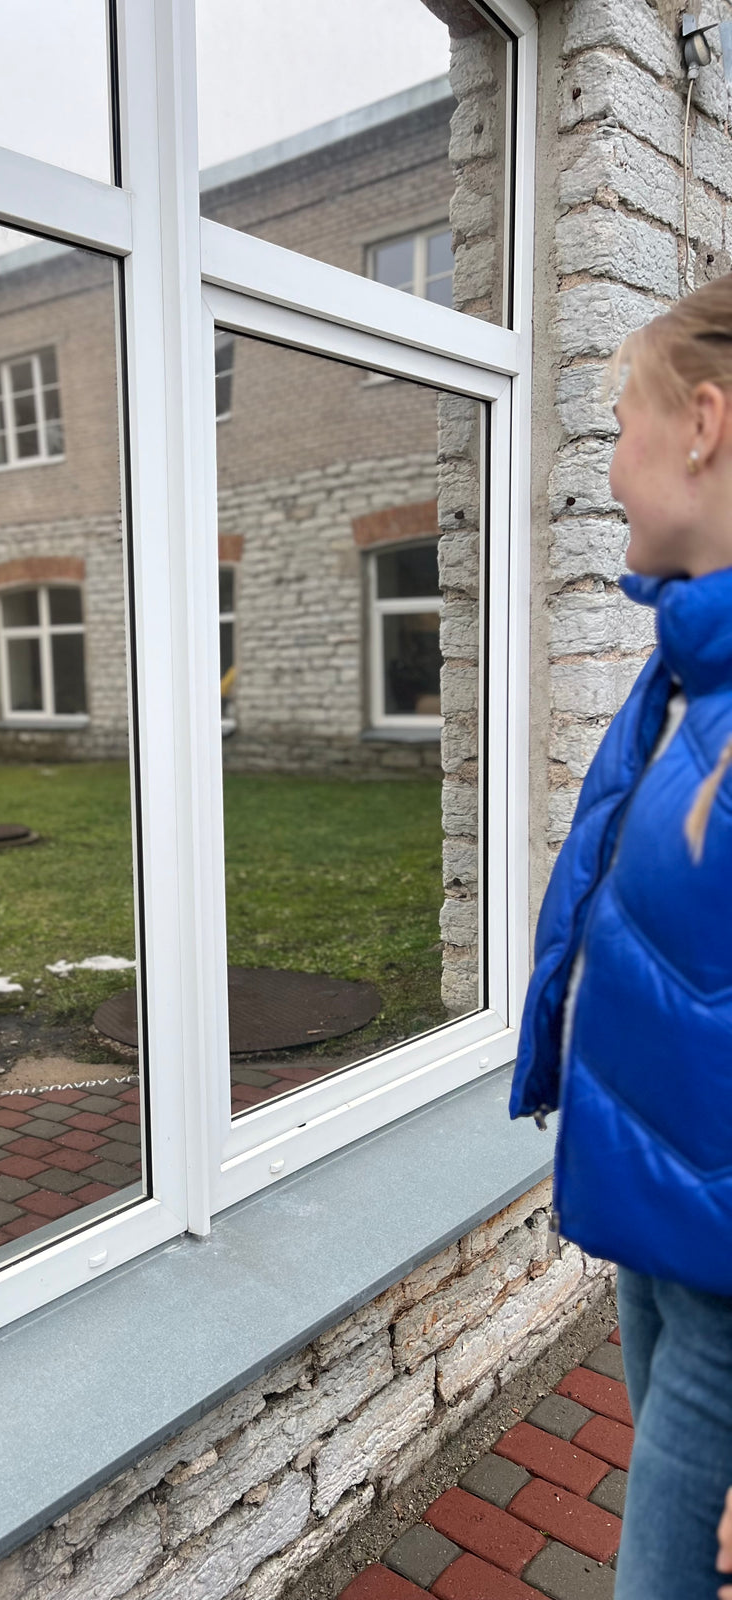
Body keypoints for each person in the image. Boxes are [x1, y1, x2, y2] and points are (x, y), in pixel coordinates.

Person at [510, 273, 732, 1600]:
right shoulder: (690, 672)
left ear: (702, 423)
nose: (607, 467)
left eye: (617, 424)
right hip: (672, 1233)